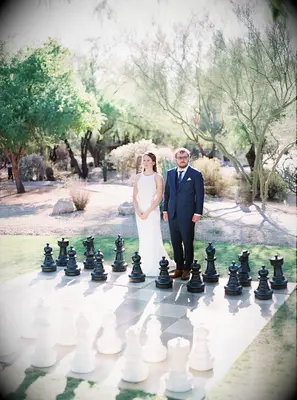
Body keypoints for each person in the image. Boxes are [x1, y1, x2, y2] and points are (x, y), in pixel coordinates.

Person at [163, 147, 204, 280]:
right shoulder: (170, 173)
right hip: (172, 213)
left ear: (188, 158)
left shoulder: (196, 174)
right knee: (175, 242)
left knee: (187, 242)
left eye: (185, 157)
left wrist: (198, 212)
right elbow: (167, 193)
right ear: (176, 159)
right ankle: (179, 268)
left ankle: (187, 269)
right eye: (180, 157)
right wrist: (165, 210)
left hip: (188, 214)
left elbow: (200, 195)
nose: (182, 159)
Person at [133, 152, 172, 276]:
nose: (145, 162)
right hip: (139, 212)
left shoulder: (157, 177)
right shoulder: (138, 177)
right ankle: (143, 264)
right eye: (143, 160)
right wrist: (138, 211)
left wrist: (148, 212)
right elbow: (134, 197)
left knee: (153, 237)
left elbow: (159, 197)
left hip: (152, 211)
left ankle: (155, 265)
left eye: (148, 160)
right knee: (144, 238)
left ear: (153, 162)